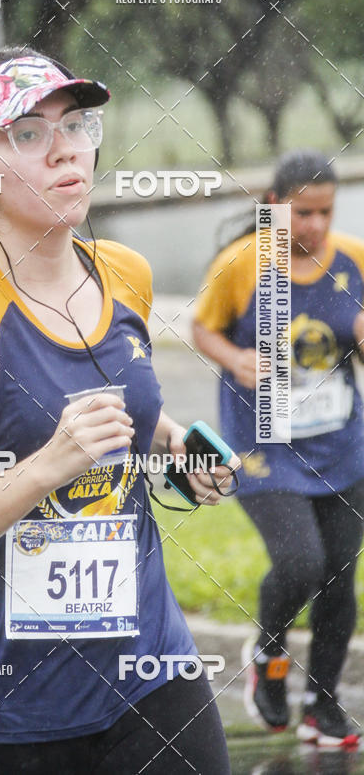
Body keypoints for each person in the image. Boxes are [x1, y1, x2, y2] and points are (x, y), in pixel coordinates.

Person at [0, 48, 240, 774]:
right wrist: (48, 467)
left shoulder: (124, 275)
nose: (66, 148)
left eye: (75, 124)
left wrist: (178, 450)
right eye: (28, 134)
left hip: (145, 669)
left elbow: (128, 420)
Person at [192, 150, 364, 748]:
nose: (314, 225)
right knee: (300, 563)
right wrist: (235, 357)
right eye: (301, 212)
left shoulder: (353, 260)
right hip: (263, 444)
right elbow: (201, 328)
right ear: (273, 207)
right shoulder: (242, 263)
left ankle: (323, 705)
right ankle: (268, 658)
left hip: (340, 445)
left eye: (324, 212)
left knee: (341, 579)